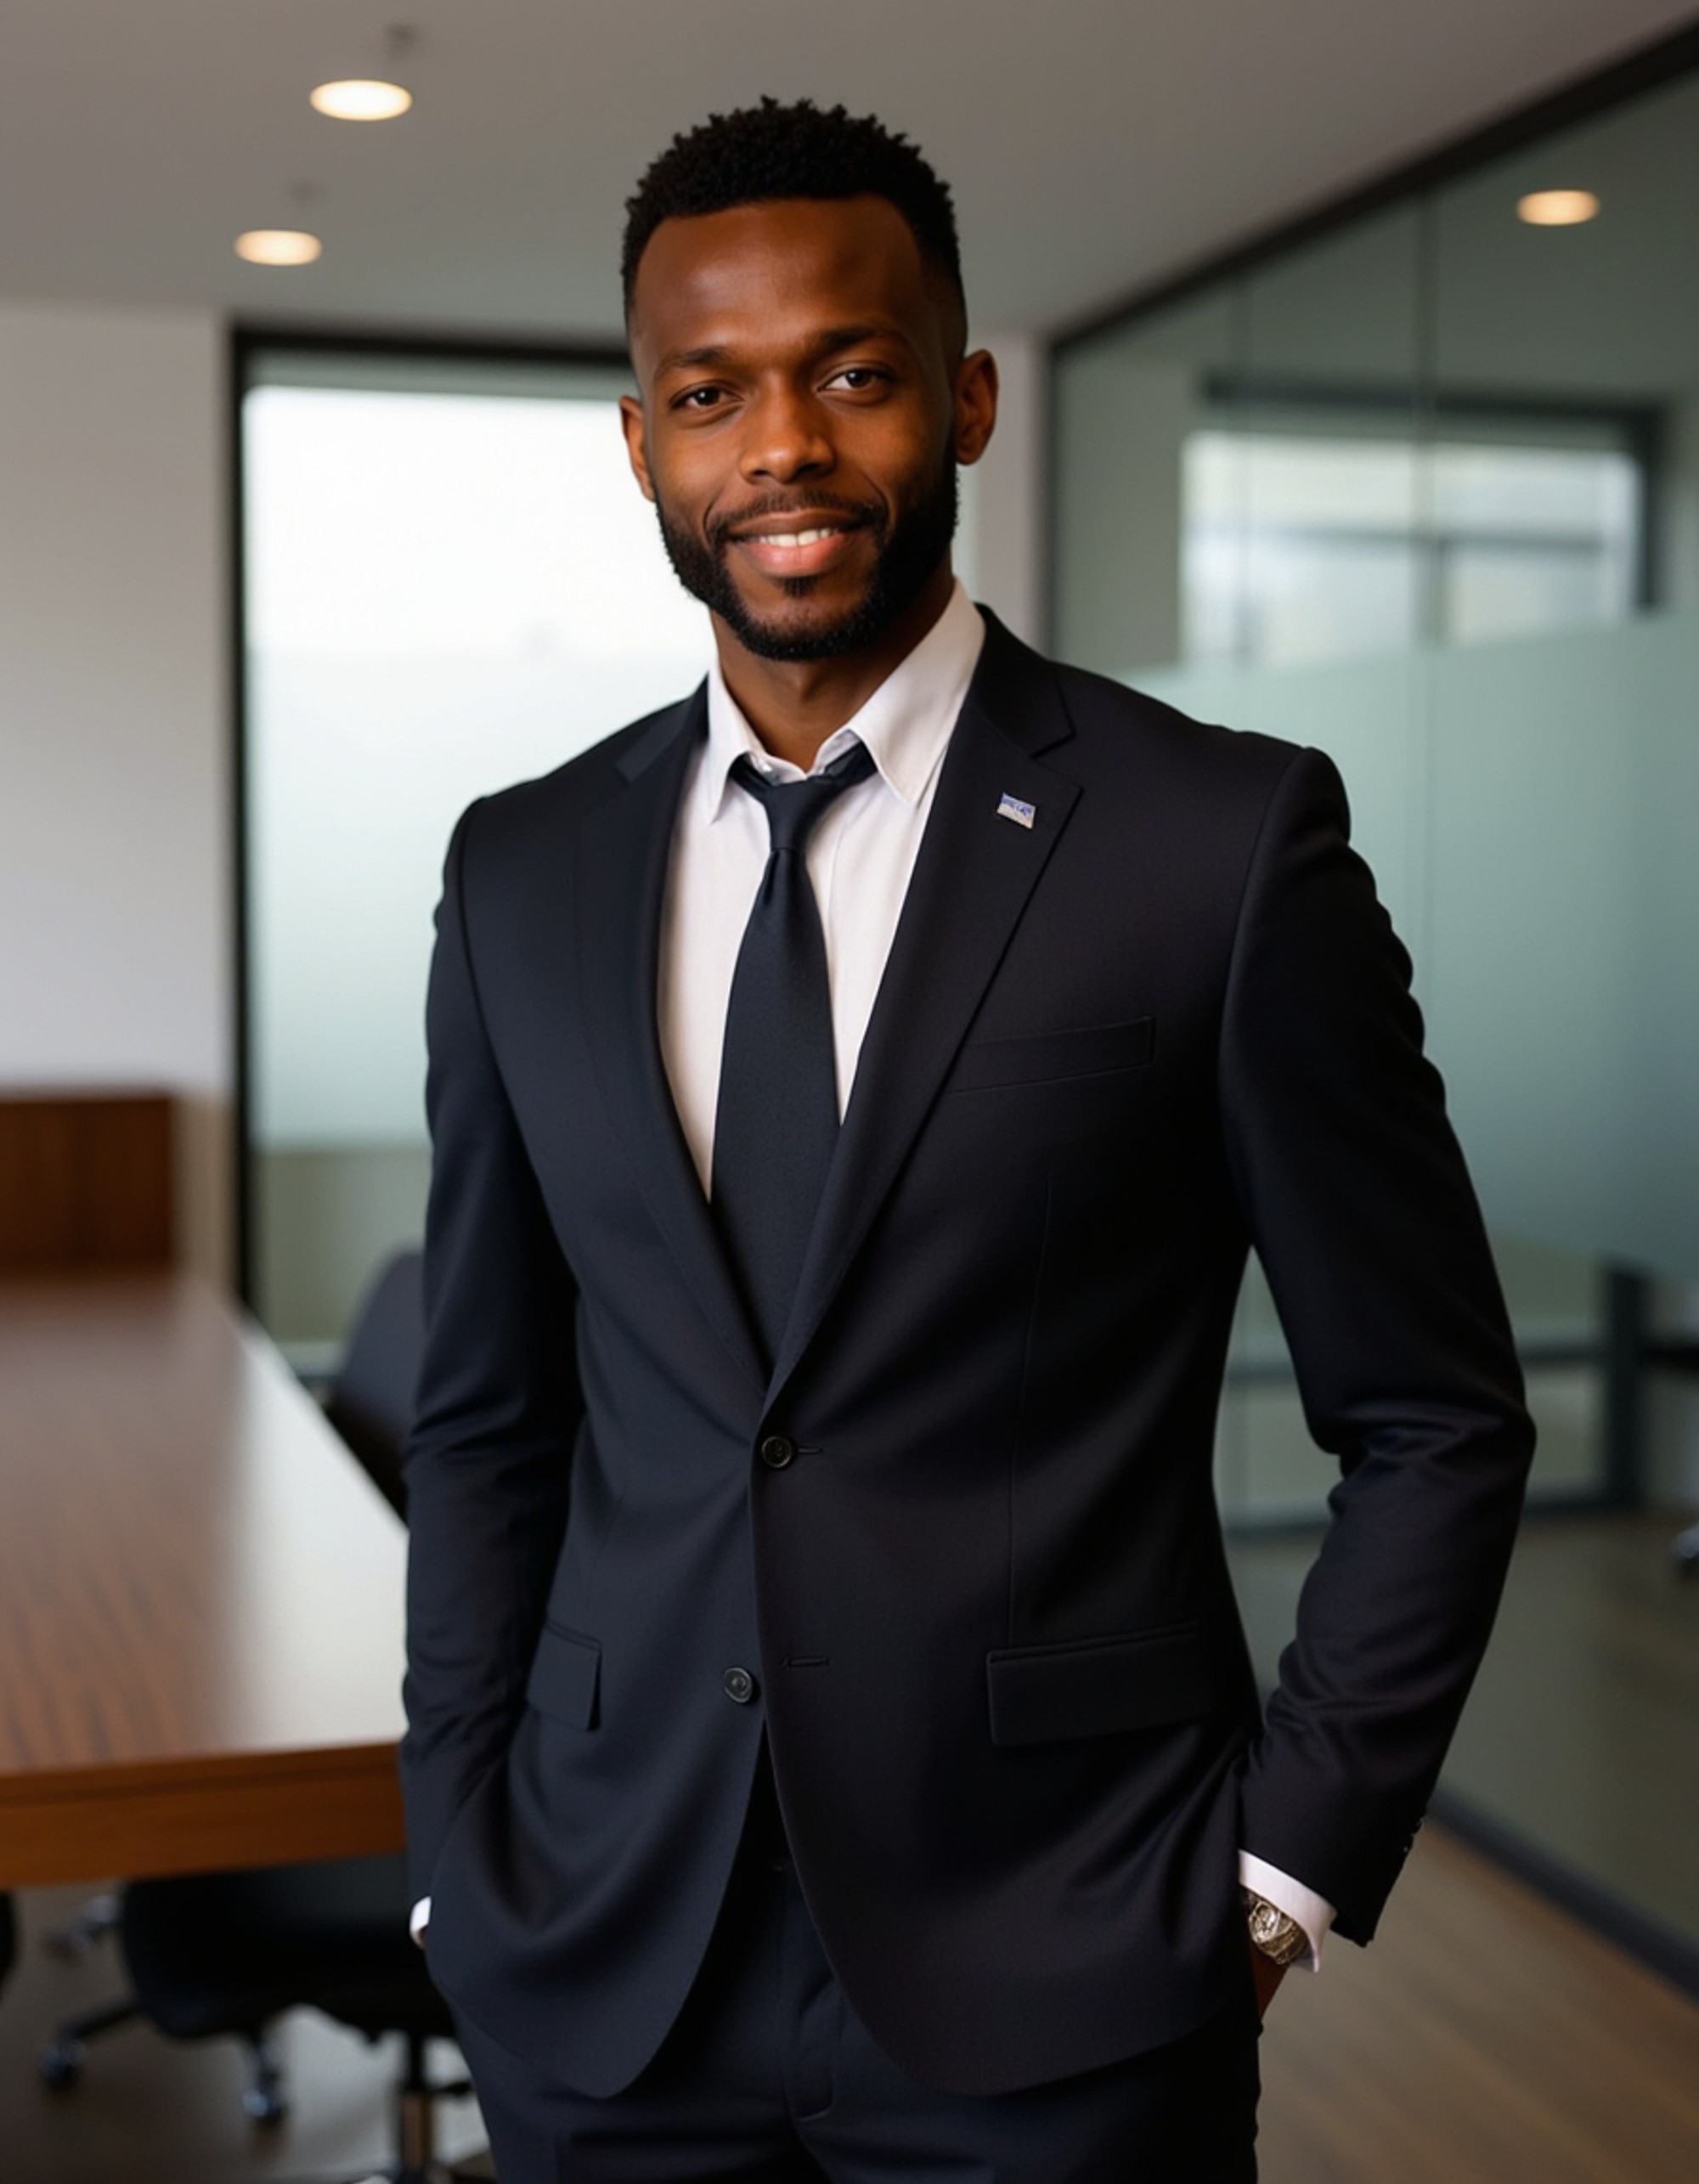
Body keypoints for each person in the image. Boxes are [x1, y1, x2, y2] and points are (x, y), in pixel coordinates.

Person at [400, 99, 1534, 2181]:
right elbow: (487, 1416)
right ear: (640, 442)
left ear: (966, 397)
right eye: (711, 392)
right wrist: (453, 1851)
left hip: (1067, 1968)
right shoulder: (519, 870)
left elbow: (1436, 1414)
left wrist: (1282, 1868)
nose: (786, 449)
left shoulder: (1219, 843)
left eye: (851, 372)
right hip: (601, 1959)